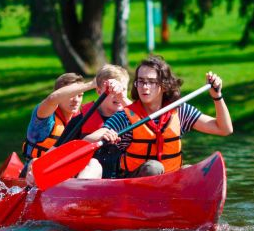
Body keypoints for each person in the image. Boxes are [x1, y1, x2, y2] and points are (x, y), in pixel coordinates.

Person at [85, 55, 233, 178]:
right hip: (133, 184)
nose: (144, 87)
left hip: (170, 183)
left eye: (151, 82)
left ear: (163, 85)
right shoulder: (125, 116)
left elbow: (224, 129)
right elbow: (86, 140)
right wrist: (104, 134)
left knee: (189, 170)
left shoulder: (180, 111)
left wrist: (217, 97)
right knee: (153, 168)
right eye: (141, 81)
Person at [20, 73, 96, 179]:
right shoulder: (45, 117)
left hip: (65, 173)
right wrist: (91, 84)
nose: (76, 100)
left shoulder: (81, 118)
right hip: (33, 173)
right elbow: (52, 99)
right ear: (61, 94)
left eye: (80, 95)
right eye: (71, 95)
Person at [62, 64, 132, 178]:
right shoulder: (80, 121)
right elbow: (60, 154)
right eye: (112, 91)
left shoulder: (133, 117)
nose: (117, 95)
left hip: (124, 181)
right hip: (91, 180)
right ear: (99, 92)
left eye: (122, 89)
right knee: (93, 164)